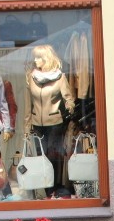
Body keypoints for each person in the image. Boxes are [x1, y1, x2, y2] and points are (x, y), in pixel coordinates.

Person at [23, 44, 75, 196]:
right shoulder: (31, 77)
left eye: (39, 57)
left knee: (52, 155)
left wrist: (69, 106)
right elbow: (28, 105)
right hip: (37, 123)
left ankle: (54, 188)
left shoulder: (59, 77)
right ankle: (46, 189)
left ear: (47, 59)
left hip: (54, 122)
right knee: (41, 156)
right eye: (35, 57)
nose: (35, 60)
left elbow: (68, 97)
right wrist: (27, 126)